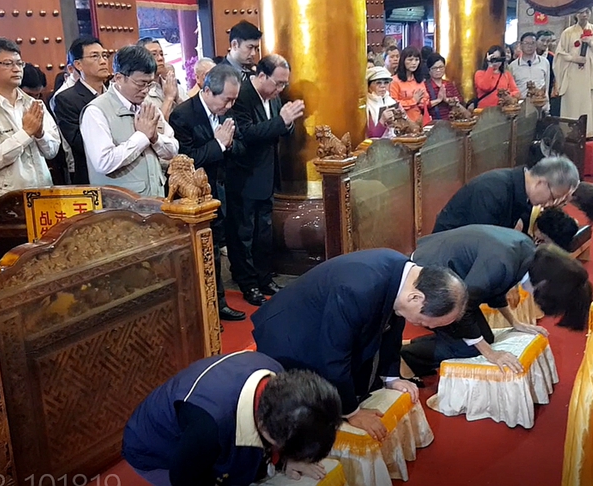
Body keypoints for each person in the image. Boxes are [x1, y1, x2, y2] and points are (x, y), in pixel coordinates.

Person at [253, 249, 467, 440]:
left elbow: (393, 322)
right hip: (291, 333)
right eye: (426, 322)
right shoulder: (358, 288)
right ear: (416, 298)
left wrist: (391, 377)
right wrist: (351, 413)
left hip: (325, 322)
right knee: (313, 406)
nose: (426, 327)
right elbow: (335, 353)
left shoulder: (405, 278)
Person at [123, 351, 343, 486]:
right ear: (265, 428)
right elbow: (184, 478)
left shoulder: (274, 374)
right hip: (154, 450)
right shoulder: (208, 427)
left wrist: (288, 458)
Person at [402, 225, 592, 376]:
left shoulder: (526, 253)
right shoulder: (502, 264)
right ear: (545, 285)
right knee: (470, 349)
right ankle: (405, 357)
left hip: (450, 277)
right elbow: (463, 309)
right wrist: (490, 353)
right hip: (429, 284)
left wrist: (515, 322)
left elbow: (495, 288)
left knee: (484, 338)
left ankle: (415, 345)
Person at [169, 64, 247, 322]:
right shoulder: (183, 115)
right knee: (202, 255)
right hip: (195, 199)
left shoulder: (227, 113)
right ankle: (205, 310)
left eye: (234, 100)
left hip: (223, 193)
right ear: (207, 91)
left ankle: (219, 304)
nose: (230, 105)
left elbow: (240, 148)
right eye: (227, 99)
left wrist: (229, 145)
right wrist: (218, 144)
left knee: (216, 253)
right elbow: (187, 159)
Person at [226, 55, 304, 306]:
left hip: (268, 175)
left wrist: (287, 123)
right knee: (244, 234)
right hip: (245, 177)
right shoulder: (241, 95)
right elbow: (247, 133)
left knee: (264, 233)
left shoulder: (274, 96)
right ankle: (247, 283)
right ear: (261, 76)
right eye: (278, 83)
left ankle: (264, 277)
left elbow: (280, 129)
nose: (281, 88)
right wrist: (281, 121)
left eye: (284, 84)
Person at [0, 37, 61, 200]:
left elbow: (52, 151)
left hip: (42, 194)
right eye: (8, 64)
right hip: (6, 201)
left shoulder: (33, 103)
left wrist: (40, 135)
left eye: (19, 63)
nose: (16, 69)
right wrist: (26, 133)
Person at [80, 45, 179, 197]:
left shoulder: (149, 107)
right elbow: (104, 162)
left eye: (149, 84)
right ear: (119, 78)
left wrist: (155, 138)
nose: (145, 90)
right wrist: (142, 137)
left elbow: (173, 150)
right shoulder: (96, 111)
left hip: (156, 199)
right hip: (119, 205)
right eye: (140, 83)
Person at [432, 157, 582, 234]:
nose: (549, 204)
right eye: (552, 198)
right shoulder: (493, 190)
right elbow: (481, 241)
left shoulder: (522, 192)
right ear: (541, 183)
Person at [54, 36, 111, 184]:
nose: (103, 61)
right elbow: (79, 142)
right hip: (91, 177)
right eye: (95, 56)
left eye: (104, 55)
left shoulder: (115, 94)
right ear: (78, 64)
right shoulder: (66, 99)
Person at [554, 7, 593, 138]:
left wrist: (591, 43)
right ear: (575, 14)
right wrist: (574, 58)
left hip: (589, 74)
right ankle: (570, 134)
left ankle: (589, 133)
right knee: (572, 105)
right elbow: (559, 54)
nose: (584, 15)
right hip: (572, 75)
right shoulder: (567, 33)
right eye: (580, 12)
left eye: (586, 12)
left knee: (588, 106)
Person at [137, 37, 188, 120]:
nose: (160, 58)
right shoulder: (139, 92)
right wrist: (169, 97)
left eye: (161, 54)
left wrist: (177, 99)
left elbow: (191, 118)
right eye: (154, 55)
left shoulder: (173, 86)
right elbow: (157, 125)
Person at [509, 32, 551, 112]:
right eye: (526, 43)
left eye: (532, 43)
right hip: (522, 109)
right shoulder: (513, 66)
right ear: (521, 45)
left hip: (541, 106)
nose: (529, 46)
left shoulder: (544, 62)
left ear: (536, 45)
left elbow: (547, 84)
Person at [389, 46, 428, 124]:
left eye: (416, 60)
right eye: (410, 60)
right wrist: (413, 101)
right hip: (402, 123)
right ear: (403, 61)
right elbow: (393, 104)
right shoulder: (394, 81)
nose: (414, 63)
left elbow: (426, 99)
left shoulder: (419, 80)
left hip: (419, 120)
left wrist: (421, 102)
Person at [425, 53, 465, 121]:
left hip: (451, 122)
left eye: (441, 67)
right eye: (435, 68)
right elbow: (423, 106)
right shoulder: (425, 86)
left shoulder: (449, 84)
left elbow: (459, 101)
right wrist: (439, 100)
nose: (438, 70)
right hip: (433, 122)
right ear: (429, 70)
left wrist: (452, 101)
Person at [365, 66, 399, 138]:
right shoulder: (366, 105)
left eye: (386, 83)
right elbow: (372, 137)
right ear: (369, 86)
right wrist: (382, 121)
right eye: (378, 83)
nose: (383, 86)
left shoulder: (391, 101)